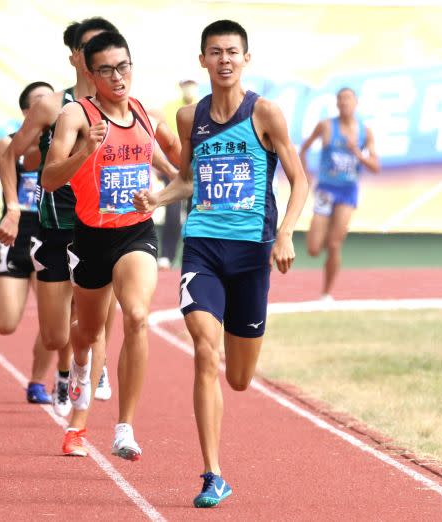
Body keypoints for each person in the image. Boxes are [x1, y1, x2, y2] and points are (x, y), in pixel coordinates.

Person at [133, 20, 308, 507]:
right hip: (204, 247)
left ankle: (240, 353)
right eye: (216, 52)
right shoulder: (191, 117)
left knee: (239, 377)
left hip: (252, 253)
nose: (224, 59)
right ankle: (213, 474)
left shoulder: (265, 113)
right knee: (205, 353)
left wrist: (286, 232)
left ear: (245, 59)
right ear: (203, 60)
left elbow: (299, 181)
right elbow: (187, 181)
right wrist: (158, 197)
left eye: (233, 51)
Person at [42, 31, 181, 461]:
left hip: (136, 232)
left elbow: (181, 169)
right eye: (107, 69)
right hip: (91, 238)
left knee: (137, 316)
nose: (118, 77)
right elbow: (49, 179)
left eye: (124, 66)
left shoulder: (145, 114)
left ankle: (124, 428)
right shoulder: (75, 116)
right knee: (85, 334)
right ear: (89, 72)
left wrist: (159, 196)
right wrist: (86, 149)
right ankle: (78, 394)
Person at [0, 18, 118, 423]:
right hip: (53, 228)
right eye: (89, 48)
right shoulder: (51, 105)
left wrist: (175, 181)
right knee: (56, 334)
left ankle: (88, 380)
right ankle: (66, 371)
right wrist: (13, 207)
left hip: (101, 229)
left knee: (95, 318)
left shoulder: (120, 105)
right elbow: (10, 154)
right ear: (75, 57)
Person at [0, 81, 57, 405]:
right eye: (40, 103)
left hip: (51, 237)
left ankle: (39, 382)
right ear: (26, 113)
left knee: (54, 322)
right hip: (15, 235)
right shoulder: (8, 146)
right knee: (5, 324)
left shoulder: (66, 145)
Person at [299, 87, 380, 300]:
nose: (344, 103)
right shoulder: (326, 126)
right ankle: (325, 234)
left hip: (347, 191)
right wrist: (305, 175)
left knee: (335, 244)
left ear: (356, 103)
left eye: (348, 99)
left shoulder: (365, 131)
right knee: (314, 249)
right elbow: (303, 149)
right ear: (336, 103)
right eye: (341, 99)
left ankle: (326, 293)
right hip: (326, 189)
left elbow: (375, 166)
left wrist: (357, 153)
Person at [156, 78, 199, 269]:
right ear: (180, 86)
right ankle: (166, 255)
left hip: (198, 167)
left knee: (196, 211)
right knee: (172, 212)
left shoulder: (204, 105)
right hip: (174, 165)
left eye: (191, 84)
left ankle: (192, 255)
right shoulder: (169, 107)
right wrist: (162, 165)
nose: (188, 88)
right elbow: (162, 138)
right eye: (185, 84)